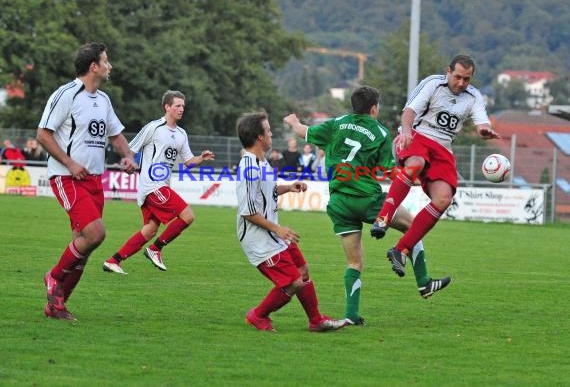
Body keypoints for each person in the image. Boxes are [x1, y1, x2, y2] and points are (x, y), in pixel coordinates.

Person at [284, 85, 451, 326]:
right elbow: (386, 171)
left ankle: (351, 316)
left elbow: (303, 132)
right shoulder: (380, 133)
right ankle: (424, 281)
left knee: (354, 262)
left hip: (339, 202)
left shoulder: (336, 124)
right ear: (374, 109)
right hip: (368, 199)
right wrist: (412, 179)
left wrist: (293, 121)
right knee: (414, 227)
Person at [370, 55, 500, 277]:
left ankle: (400, 250)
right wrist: (407, 132)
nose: (461, 83)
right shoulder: (433, 83)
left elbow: (481, 121)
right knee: (416, 164)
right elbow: (409, 112)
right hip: (417, 136)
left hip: (443, 148)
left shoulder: (474, 96)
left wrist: (484, 131)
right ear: (448, 71)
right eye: (457, 77)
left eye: (466, 79)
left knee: (443, 199)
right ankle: (383, 218)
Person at [37, 42, 137, 321]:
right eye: (106, 61)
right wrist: (69, 162)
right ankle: (53, 277)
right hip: (67, 177)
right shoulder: (66, 95)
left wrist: (127, 155)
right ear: (94, 66)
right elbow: (43, 134)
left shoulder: (103, 100)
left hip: (95, 179)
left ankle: (56, 306)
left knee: (84, 245)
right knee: (95, 234)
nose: (110, 66)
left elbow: (115, 135)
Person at [235, 111, 346, 332]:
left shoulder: (262, 163)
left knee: (303, 270)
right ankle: (258, 315)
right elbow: (248, 211)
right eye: (267, 130)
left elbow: (266, 191)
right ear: (259, 137)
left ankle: (316, 321)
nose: (271, 133)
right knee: (293, 281)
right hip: (259, 240)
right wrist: (278, 229)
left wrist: (288, 187)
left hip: (273, 235)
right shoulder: (248, 167)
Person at [103, 90, 215, 275]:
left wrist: (201, 158)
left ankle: (113, 261)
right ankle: (155, 249)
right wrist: (129, 161)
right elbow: (131, 148)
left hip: (161, 186)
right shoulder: (153, 128)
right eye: (177, 106)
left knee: (149, 230)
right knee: (188, 216)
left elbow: (188, 162)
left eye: (183, 106)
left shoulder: (181, 134)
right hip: (152, 186)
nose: (181, 109)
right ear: (167, 107)